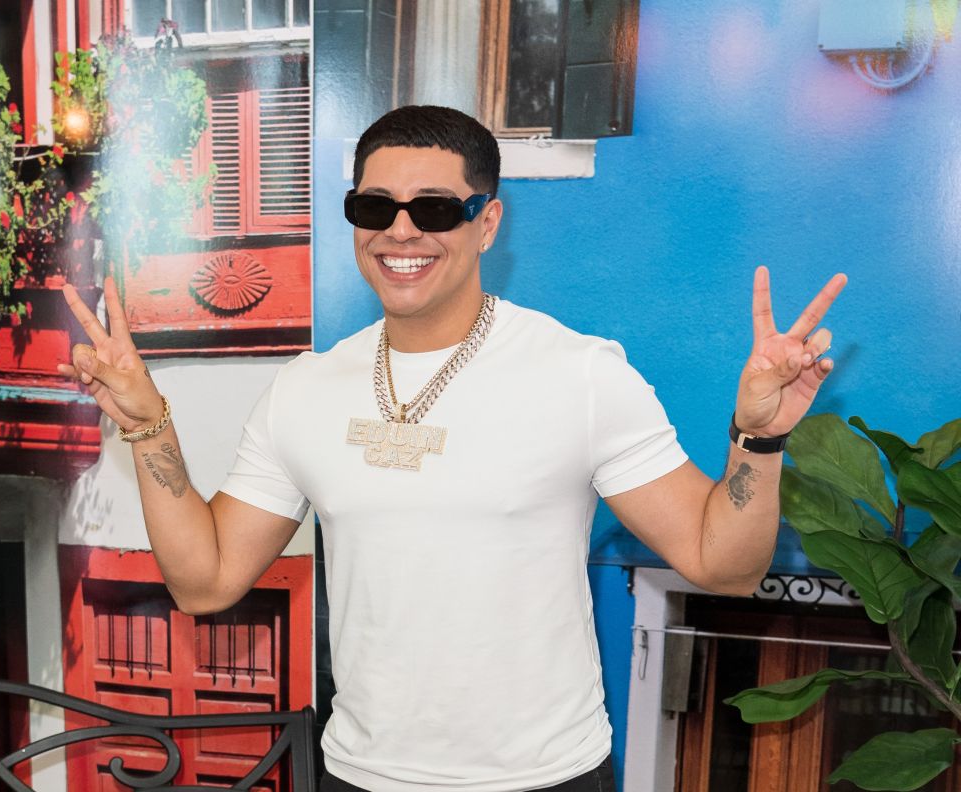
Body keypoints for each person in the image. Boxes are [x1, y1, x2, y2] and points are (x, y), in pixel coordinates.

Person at [61, 105, 846, 792]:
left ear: (487, 223)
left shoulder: (579, 375)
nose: (400, 231)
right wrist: (149, 424)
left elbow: (724, 565)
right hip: (361, 776)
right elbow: (204, 581)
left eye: (434, 208)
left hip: (543, 779)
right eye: (375, 206)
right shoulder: (305, 389)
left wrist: (760, 437)